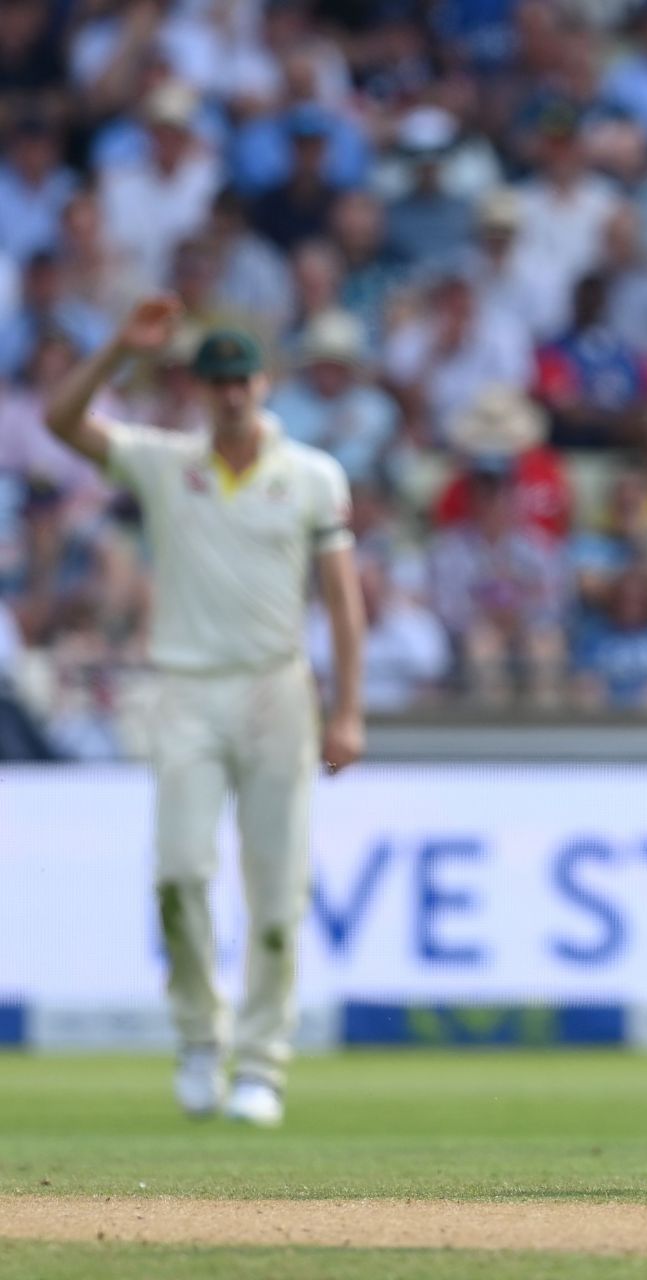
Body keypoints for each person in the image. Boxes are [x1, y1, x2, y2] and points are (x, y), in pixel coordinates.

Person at [43, 300, 365, 1129]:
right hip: (183, 689)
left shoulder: (312, 475)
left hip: (275, 688)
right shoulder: (161, 462)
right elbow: (61, 419)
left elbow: (342, 602)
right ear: (198, 390)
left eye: (241, 380)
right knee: (180, 875)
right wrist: (118, 343)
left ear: (263, 384)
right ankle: (198, 1038)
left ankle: (260, 1064)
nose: (229, 395)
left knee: (276, 895)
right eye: (215, 382)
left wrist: (348, 711)